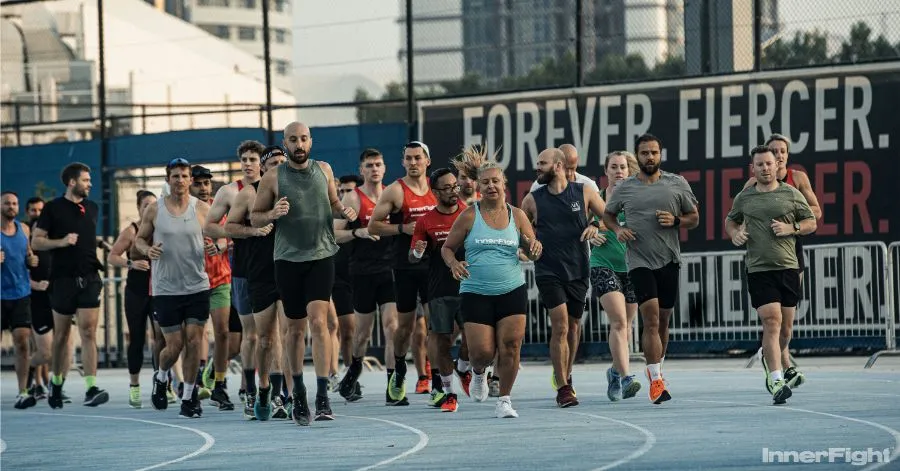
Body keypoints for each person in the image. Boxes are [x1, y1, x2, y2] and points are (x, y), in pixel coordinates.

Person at [251, 121, 357, 425]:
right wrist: (272, 214)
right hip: (287, 260)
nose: (299, 145)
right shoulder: (273, 177)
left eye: (303, 139)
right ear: (285, 143)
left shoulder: (324, 169)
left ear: (311, 141)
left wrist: (344, 211)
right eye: (293, 140)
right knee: (295, 330)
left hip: (321, 255)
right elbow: (256, 218)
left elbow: (333, 203)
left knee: (319, 322)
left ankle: (322, 395)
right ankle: (298, 391)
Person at [441, 149, 543, 418]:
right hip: (476, 291)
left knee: (511, 346)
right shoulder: (469, 216)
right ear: (478, 186)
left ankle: (505, 400)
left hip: (511, 289)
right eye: (485, 182)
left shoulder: (517, 216)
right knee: (482, 353)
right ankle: (477, 372)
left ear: (503, 184)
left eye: (495, 181)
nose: (491, 186)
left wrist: (534, 248)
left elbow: (532, 250)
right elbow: (447, 248)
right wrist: (454, 264)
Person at [602, 134, 699, 404]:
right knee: (651, 319)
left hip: (668, 259)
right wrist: (618, 230)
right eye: (644, 153)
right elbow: (608, 215)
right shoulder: (626, 187)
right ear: (638, 156)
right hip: (638, 261)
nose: (649, 157)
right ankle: (655, 380)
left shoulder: (676, 183)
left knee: (664, 321)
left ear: (660, 154)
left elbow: (694, 218)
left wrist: (676, 220)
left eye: (654, 152)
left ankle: (657, 367)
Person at [726, 145, 816, 404]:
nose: (765, 168)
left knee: (785, 330)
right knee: (772, 320)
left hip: (788, 266)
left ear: (777, 165)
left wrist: (792, 227)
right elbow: (731, 220)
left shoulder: (791, 194)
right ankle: (776, 379)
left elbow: (811, 222)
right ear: (752, 168)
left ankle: (769, 358)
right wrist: (735, 234)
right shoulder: (745, 197)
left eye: (769, 163)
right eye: (760, 164)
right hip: (759, 268)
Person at [521, 148, 605, 408]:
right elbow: (520, 230)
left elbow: (608, 217)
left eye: (542, 163)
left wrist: (595, 225)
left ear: (558, 165)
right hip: (548, 270)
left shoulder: (584, 191)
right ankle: (563, 389)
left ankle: (566, 375)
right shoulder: (532, 199)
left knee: (574, 326)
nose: (537, 168)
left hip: (578, 268)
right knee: (560, 326)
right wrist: (528, 245)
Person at [743, 133, 822, 391]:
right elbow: (738, 216)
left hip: (791, 251)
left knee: (786, 324)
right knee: (772, 319)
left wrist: (791, 223)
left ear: (787, 156)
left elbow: (815, 212)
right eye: (773, 151)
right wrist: (740, 231)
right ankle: (781, 368)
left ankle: (777, 361)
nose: (777, 156)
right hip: (763, 257)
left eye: (781, 152)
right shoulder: (751, 185)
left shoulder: (796, 180)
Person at [137, 158, 213, 418]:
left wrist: (215, 245)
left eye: (184, 176)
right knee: (175, 345)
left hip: (197, 286)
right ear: (168, 180)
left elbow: (217, 235)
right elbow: (139, 240)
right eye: (175, 176)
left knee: (194, 341)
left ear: (190, 180)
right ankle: (161, 377)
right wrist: (148, 249)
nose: (180, 180)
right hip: (166, 288)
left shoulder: (201, 208)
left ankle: (189, 398)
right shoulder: (155, 210)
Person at [31, 162, 108, 408]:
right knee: (62, 336)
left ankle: (91, 388)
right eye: (86, 180)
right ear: (72, 182)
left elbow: (85, 233)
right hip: (62, 280)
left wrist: (100, 243)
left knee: (88, 332)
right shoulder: (52, 208)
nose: (90, 184)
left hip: (90, 277)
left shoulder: (92, 207)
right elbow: (37, 242)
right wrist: (61, 241)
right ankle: (56, 385)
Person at [368, 141, 437, 404]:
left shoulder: (436, 189)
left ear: (427, 161)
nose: (413, 163)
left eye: (418, 158)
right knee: (405, 327)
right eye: (408, 158)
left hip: (433, 266)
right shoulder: (395, 190)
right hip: (405, 267)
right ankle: (398, 370)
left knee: (437, 325)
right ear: (403, 162)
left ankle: (438, 382)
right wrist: (401, 229)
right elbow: (373, 226)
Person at [227, 146, 289, 420]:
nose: (278, 167)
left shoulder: (296, 192)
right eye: (273, 163)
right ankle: (261, 389)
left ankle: (287, 394)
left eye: (282, 162)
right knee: (263, 338)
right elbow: (228, 227)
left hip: (290, 270)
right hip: (259, 273)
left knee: (289, 334)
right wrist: (254, 230)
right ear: (263, 168)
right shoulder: (248, 194)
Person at [205, 140, 266, 410]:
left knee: (271, 335)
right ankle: (248, 387)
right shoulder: (229, 191)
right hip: (242, 269)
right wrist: (236, 233)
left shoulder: (272, 189)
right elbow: (209, 227)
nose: (248, 164)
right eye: (244, 160)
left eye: (253, 159)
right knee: (249, 335)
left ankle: (269, 388)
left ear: (262, 163)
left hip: (272, 268)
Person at [335, 149, 399, 404]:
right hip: (362, 271)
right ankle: (354, 369)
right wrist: (357, 232)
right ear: (362, 170)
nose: (374, 169)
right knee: (362, 333)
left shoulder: (393, 194)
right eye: (369, 165)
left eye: (378, 164)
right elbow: (334, 234)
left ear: (384, 168)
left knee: (392, 327)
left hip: (390, 269)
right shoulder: (353, 198)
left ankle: (394, 384)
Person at [410, 167, 468, 412]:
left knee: (475, 338)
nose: (454, 191)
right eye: (447, 188)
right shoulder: (425, 221)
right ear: (435, 192)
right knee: (441, 341)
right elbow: (412, 257)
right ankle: (448, 393)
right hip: (440, 289)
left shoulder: (469, 214)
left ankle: (463, 367)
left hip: (469, 287)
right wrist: (417, 252)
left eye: (455, 186)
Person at [592, 151, 642, 401]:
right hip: (602, 264)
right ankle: (626, 378)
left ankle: (614, 371)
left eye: (623, 167)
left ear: (629, 170)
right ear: (606, 171)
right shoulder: (596, 198)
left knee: (627, 327)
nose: (619, 171)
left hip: (631, 266)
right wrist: (590, 233)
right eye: (614, 167)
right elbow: (582, 225)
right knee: (619, 322)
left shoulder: (637, 199)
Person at [107, 190, 158, 408]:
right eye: (146, 205)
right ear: (138, 208)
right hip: (136, 291)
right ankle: (134, 385)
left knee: (162, 338)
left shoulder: (161, 229)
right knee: (137, 338)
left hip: (159, 290)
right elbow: (112, 256)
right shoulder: (131, 231)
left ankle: (162, 382)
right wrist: (131, 263)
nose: (149, 209)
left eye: (153, 205)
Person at [190, 165, 235, 411]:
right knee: (194, 336)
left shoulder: (220, 209)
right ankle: (191, 385)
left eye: (206, 183)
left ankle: (219, 384)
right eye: (197, 183)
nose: (203, 188)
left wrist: (220, 245)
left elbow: (229, 235)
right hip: (192, 282)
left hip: (220, 278)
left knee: (223, 332)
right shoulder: (183, 212)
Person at [1, 191, 39, 409]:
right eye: (7, 203)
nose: (11, 207)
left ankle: (23, 392)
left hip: (21, 293)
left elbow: (28, 254)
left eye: (14, 203)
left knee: (22, 343)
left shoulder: (24, 229)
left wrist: (31, 260)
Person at [331, 174, 363, 396]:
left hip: (364, 273)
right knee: (346, 329)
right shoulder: (337, 216)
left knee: (361, 331)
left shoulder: (369, 210)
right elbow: (332, 234)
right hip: (339, 274)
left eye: (348, 191)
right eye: (341, 191)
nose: (344, 196)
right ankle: (348, 376)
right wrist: (354, 233)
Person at [24, 197, 53, 400]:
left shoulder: (52, 243)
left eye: (40, 210)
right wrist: (35, 284)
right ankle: (34, 381)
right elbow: (17, 273)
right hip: (33, 301)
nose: (37, 213)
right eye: (33, 210)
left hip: (56, 301)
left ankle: (47, 384)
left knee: (57, 349)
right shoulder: (25, 241)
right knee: (40, 349)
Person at [529, 144, 600, 194]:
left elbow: (601, 211)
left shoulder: (589, 185)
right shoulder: (538, 187)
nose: (569, 173)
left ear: (577, 161)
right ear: (557, 164)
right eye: (565, 168)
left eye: (572, 168)